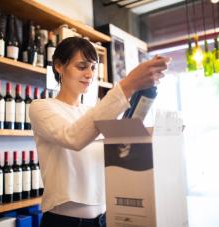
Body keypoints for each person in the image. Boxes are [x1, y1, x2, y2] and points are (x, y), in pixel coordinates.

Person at [29, 37, 169, 227]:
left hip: (104, 220)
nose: (89, 74)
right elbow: (74, 137)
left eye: (93, 68)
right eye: (81, 66)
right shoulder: (41, 107)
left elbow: (117, 154)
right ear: (59, 67)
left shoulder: (91, 112)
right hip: (64, 222)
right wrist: (128, 84)